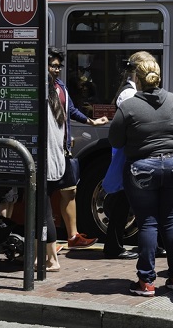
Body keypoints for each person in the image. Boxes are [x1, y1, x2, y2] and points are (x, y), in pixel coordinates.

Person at [108, 53, 173, 296]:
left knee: (148, 223)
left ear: (137, 79)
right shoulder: (172, 99)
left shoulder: (129, 106)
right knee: (170, 221)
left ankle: (146, 282)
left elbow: (115, 139)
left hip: (142, 167)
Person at [48, 48, 108, 249]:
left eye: (58, 66)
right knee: (45, 195)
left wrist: (91, 121)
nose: (56, 70)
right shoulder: (37, 87)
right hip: (47, 150)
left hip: (63, 147)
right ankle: (48, 242)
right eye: (52, 66)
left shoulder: (60, 86)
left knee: (70, 190)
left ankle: (73, 236)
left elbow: (70, 110)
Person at [102, 54, 145, 260]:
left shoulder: (129, 91)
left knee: (125, 200)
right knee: (121, 201)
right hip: (128, 153)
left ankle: (115, 245)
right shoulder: (129, 95)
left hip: (128, 151)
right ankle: (113, 246)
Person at [44, 74, 67, 272]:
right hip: (55, 164)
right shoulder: (55, 99)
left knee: (43, 212)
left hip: (45, 165)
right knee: (43, 211)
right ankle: (40, 257)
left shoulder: (41, 101)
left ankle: (52, 260)